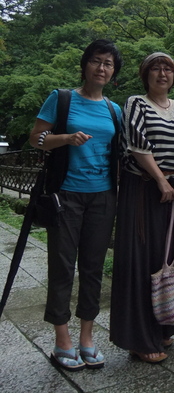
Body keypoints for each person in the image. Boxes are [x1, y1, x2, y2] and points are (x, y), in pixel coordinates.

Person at [29, 39, 122, 371]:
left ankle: (87, 337)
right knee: (63, 266)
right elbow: (36, 138)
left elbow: (123, 152)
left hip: (103, 196)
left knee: (94, 269)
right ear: (85, 65)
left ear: (114, 72)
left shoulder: (115, 110)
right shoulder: (62, 99)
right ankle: (62, 339)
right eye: (97, 61)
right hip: (66, 194)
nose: (102, 68)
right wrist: (65, 139)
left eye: (108, 64)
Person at [110, 52, 174, 363]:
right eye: (156, 69)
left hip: (173, 193)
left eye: (168, 69)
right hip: (143, 189)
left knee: (167, 260)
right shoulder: (135, 103)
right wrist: (161, 180)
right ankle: (139, 339)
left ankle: (164, 327)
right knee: (140, 259)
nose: (162, 74)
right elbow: (136, 144)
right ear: (145, 75)